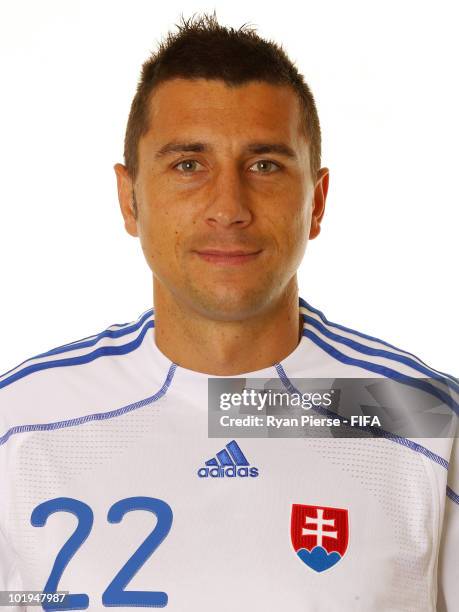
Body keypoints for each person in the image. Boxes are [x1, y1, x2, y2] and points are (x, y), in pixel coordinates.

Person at [0, 12, 457, 612]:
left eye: (265, 165)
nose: (228, 207)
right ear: (128, 198)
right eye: (188, 165)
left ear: (316, 203)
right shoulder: (20, 425)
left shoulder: (419, 417)